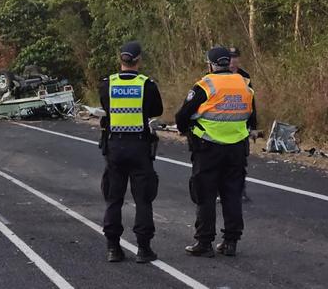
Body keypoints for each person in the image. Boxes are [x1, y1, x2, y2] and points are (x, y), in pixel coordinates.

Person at [175, 46, 255, 257]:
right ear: (228, 62)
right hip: (237, 148)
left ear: (211, 64)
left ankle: (204, 242)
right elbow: (252, 119)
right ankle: (231, 242)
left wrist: (186, 130)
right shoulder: (245, 84)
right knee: (232, 195)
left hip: (208, 148)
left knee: (205, 195)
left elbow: (182, 116)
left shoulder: (205, 85)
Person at [98, 41, 163, 263]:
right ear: (139, 60)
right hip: (139, 147)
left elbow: (106, 108)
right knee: (143, 199)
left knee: (114, 198)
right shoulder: (148, 84)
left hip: (115, 146)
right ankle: (144, 249)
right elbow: (157, 110)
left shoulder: (107, 84)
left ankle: (113, 248)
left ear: (120, 60)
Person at [229, 47, 257, 202]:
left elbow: (251, 103)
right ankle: (221, 191)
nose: (233, 61)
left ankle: (241, 190)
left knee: (240, 161)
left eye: (235, 57)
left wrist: (253, 126)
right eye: (230, 57)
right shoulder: (215, 77)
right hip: (221, 127)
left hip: (240, 126)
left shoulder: (245, 77)